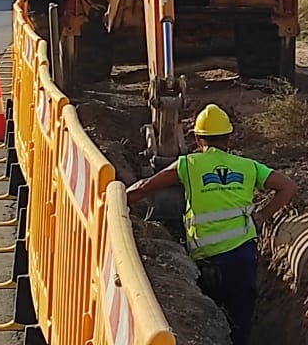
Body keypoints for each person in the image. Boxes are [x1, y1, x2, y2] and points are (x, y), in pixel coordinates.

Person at [126, 104, 297, 345]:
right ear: (228, 138)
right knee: (240, 320)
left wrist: (117, 199)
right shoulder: (248, 166)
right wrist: (262, 215)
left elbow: (145, 187)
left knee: (210, 322)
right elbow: (287, 186)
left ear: (198, 139)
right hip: (243, 256)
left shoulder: (189, 164)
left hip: (209, 262)